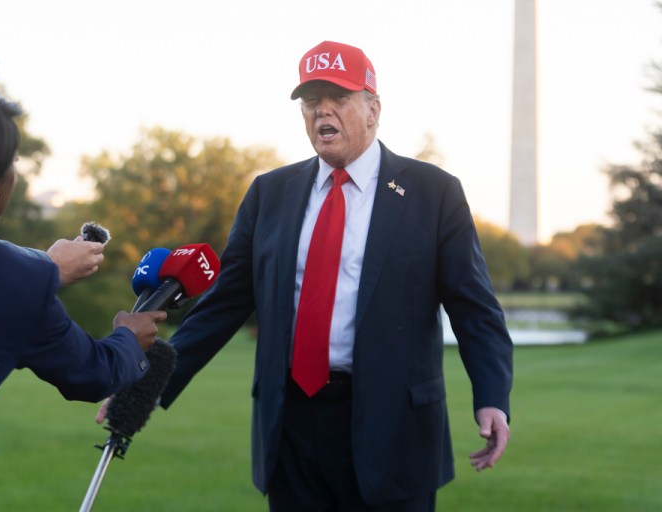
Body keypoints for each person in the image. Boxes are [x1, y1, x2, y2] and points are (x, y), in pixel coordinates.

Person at [101, 40, 514, 511]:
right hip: (290, 433)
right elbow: (223, 305)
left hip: (394, 434)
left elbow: (474, 310)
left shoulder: (433, 193)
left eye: (339, 97)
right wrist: (147, 383)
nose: (323, 111)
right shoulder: (269, 193)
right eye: (311, 100)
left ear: (373, 109)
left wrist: (492, 397)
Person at [0, 78, 167, 511]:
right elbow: (93, 372)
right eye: (13, 160)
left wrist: (44, 268)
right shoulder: (17, 287)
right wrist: (130, 337)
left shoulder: (13, 281)